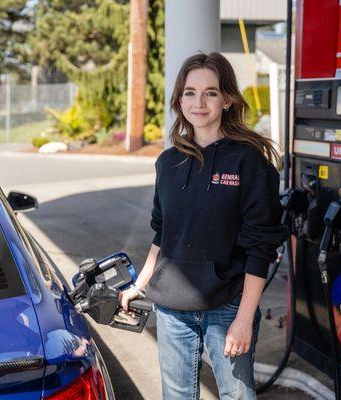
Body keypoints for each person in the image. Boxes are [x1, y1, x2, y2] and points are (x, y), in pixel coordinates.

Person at [120, 52, 287, 399]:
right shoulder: (168, 162)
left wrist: (244, 318)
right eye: (190, 92)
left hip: (228, 306)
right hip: (172, 309)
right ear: (180, 100)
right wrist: (140, 284)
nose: (199, 102)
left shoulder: (249, 160)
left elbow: (261, 247)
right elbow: (162, 233)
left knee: (237, 396)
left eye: (210, 92)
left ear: (227, 99)